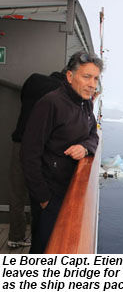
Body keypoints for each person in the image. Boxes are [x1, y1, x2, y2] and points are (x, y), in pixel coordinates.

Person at [21, 51, 103, 253]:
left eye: (95, 78)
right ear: (69, 76)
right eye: (86, 77)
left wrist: (84, 147)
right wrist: (44, 199)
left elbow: (93, 134)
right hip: (50, 192)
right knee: (44, 247)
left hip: (68, 188)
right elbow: (28, 154)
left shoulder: (85, 103)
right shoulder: (51, 104)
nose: (93, 84)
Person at [8, 72, 65, 248]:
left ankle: (15, 237)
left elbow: (23, 98)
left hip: (19, 144)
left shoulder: (32, 79)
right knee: (39, 195)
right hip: (40, 149)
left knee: (16, 194)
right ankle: (40, 241)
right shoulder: (61, 92)